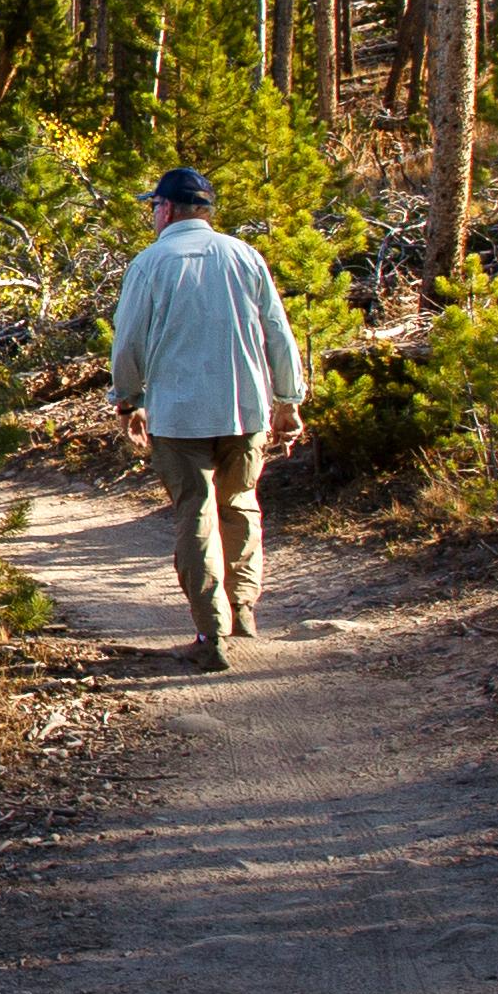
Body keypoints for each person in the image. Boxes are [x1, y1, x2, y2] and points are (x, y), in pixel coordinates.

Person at [101, 163, 304, 670]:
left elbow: (128, 341)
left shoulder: (150, 263)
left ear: (167, 209)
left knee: (196, 512)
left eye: (154, 206)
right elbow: (277, 331)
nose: (152, 214)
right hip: (246, 407)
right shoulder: (245, 256)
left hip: (179, 413)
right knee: (240, 504)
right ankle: (243, 612)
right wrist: (289, 399)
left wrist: (128, 398)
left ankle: (211, 633)